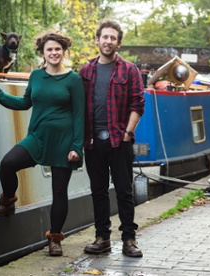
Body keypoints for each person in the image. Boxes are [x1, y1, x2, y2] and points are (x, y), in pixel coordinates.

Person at [0, 31, 85, 257]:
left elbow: (79, 116)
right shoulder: (36, 76)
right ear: (43, 52)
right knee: (8, 163)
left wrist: (76, 147)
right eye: (49, 49)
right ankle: (8, 201)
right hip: (37, 137)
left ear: (63, 51)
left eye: (57, 49)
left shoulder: (74, 80)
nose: (54, 53)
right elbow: (25, 103)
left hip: (63, 142)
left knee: (59, 192)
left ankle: (55, 239)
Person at [78, 19, 145, 258]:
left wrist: (128, 132)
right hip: (93, 141)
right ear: (97, 40)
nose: (108, 41)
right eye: (104, 37)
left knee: (124, 191)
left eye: (112, 38)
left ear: (119, 43)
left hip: (120, 141)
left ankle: (129, 239)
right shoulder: (85, 71)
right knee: (98, 191)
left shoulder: (130, 70)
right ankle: (102, 238)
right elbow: (77, 106)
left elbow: (138, 103)